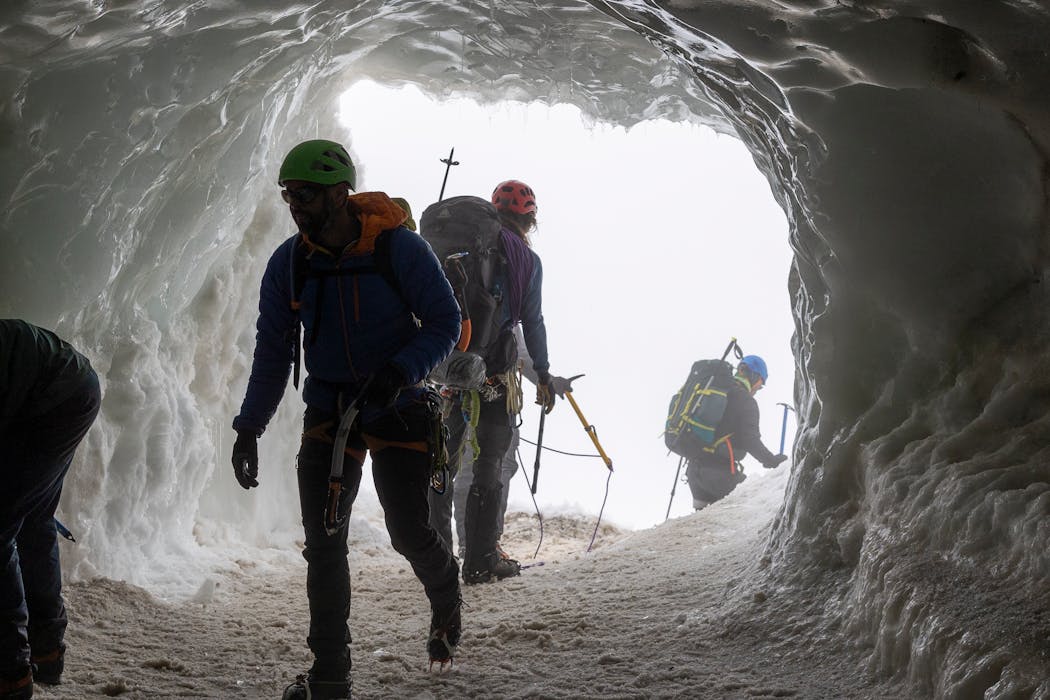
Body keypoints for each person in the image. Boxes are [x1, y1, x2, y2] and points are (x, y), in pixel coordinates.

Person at [230, 140, 462, 699]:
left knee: (408, 530)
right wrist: (249, 426)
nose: (295, 204)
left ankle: (446, 591)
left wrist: (400, 370)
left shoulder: (399, 249)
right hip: (330, 409)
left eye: (304, 193)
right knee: (324, 541)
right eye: (288, 194)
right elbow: (273, 350)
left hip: (400, 403)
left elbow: (444, 321)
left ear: (339, 193)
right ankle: (330, 673)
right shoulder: (291, 263)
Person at [428, 179, 556, 584]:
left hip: (446, 362)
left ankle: (437, 554)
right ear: (530, 220)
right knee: (489, 462)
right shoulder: (526, 262)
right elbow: (531, 321)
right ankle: (482, 558)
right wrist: (544, 373)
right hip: (494, 373)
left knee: (441, 459)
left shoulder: (462, 248)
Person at [1, 320, 101, 700]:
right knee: (33, 520)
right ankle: (47, 653)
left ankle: (10, 672)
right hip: (74, 386)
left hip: (53, 396)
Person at [448, 328, 575, 559]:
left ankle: (480, 543)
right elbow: (521, 352)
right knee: (487, 470)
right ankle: (479, 544)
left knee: (486, 470)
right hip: (487, 398)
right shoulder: (507, 298)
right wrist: (545, 379)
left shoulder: (477, 297)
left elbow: (520, 353)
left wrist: (546, 379)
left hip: (477, 397)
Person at [685, 354, 787, 510]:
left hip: (694, 473)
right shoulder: (746, 401)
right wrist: (773, 461)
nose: (757, 390)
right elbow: (750, 441)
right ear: (755, 377)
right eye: (760, 385)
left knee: (705, 523)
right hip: (720, 475)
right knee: (758, 505)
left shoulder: (715, 390)